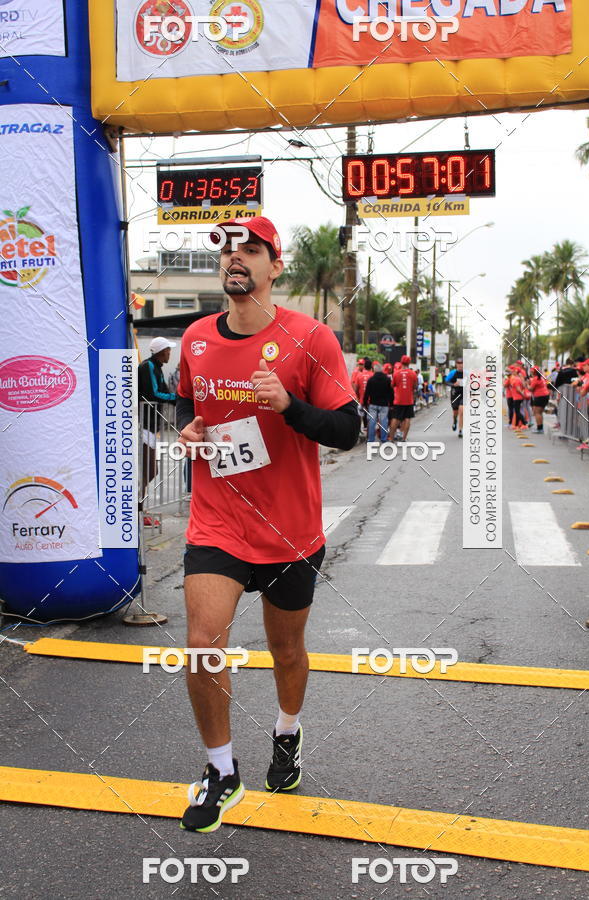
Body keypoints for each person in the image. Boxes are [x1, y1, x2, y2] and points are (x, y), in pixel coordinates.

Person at [175, 216, 360, 833]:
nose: (236, 257)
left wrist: (289, 406)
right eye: (227, 248)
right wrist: (189, 430)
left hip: (290, 531)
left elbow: (348, 430)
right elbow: (187, 402)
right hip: (217, 522)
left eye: (251, 248)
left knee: (286, 650)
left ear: (275, 267)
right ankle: (221, 769)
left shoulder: (311, 339)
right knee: (203, 646)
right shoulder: (196, 337)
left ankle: (287, 729)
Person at [138, 336, 177, 525]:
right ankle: (138, 510)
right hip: (143, 425)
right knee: (149, 470)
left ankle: (140, 509)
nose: (170, 353)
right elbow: (153, 393)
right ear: (161, 351)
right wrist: (175, 398)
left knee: (149, 470)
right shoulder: (148, 367)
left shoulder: (157, 367)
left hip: (152, 426)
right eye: (168, 349)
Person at [388, 355, 418, 442]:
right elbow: (415, 386)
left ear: (401, 362)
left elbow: (392, 385)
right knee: (407, 418)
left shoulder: (396, 373)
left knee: (395, 418)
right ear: (409, 363)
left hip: (398, 400)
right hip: (409, 400)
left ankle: (391, 438)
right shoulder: (413, 373)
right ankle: (404, 438)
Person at [363, 360, 393, 443]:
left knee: (372, 422)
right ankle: (384, 439)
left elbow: (367, 393)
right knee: (384, 422)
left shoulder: (371, 380)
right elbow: (391, 392)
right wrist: (391, 404)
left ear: (374, 370)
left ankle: (370, 440)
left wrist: (365, 403)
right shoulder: (387, 379)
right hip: (384, 404)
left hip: (373, 404)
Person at [354, 357, 374, 434]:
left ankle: (359, 431)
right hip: (371, 401)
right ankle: (369, 435)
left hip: (362, 401)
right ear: (371, 366)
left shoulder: (359, 376)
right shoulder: (373, 375)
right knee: (370, 418)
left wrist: (358, 398)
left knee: (360, 416)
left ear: (364, 366)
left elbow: (356, 389)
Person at [445, 359, 465, 437]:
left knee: (462, 411)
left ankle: (460, 430)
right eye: (459, 363)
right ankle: (454, 421)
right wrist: (453, 384)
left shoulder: (466, 373)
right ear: (456, 364)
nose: (460, 365)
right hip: (455, 395)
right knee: (455, 413)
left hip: (463, 395)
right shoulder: (453, 373)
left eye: (462, 363)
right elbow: (446, 381)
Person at [529, 365, 550, 433]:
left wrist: (526, 385)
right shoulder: (541, 377)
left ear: (533, 372)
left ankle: (539, 428)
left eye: (531, 370)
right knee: (539, 413)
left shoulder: (535, 378)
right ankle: (540, 428)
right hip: (545, 395)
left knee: (537, 412)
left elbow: (531, 389)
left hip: (540, 396)